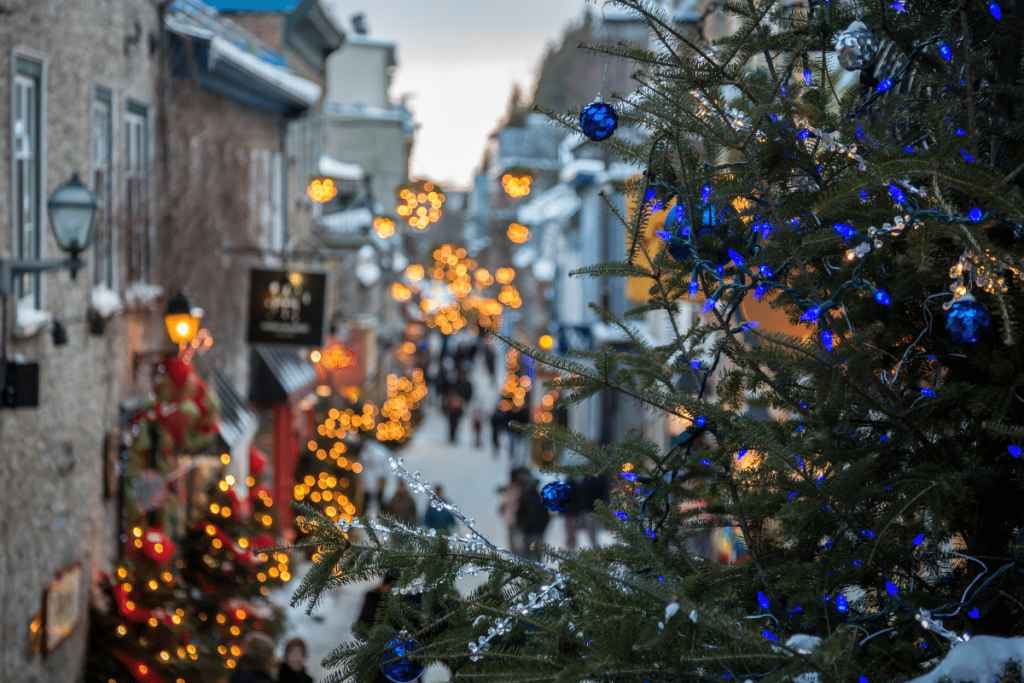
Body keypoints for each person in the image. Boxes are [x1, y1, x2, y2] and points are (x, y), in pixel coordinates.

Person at [514, 469, 550, 562]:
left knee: (530, 557)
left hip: (532, 533)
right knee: (534, 558)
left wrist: (523, 526)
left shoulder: (530, 497)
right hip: (534, 532)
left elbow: (536, 515)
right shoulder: (536, 496)